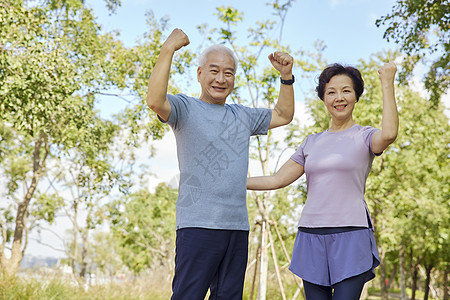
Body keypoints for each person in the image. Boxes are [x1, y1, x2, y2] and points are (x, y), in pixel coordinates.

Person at [146, 28, 295, 300]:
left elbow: (284, 115)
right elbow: (155, 100)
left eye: (228, 73)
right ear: (200, 73)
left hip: (236, 228)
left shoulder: (242, 116)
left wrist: (286, 77)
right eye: (214, 71)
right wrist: (167, 49)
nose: (221, 78)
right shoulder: (185, 109)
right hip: (197, 226)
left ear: (234, 79)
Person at [247, 62, 398, 299]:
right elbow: (277, 180)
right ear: (323, 98)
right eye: (331, 92)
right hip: (311, 237)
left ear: (356, 96)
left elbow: (389, 134)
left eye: (346, 90)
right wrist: (233, 181)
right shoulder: (311, 142)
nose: (339, 97)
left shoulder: (364, 136)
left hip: (351, 236)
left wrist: (387, 83)